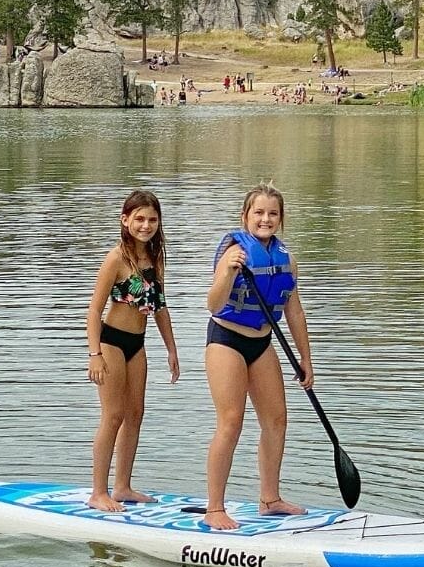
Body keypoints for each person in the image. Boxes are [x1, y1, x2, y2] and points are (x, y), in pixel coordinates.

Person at [201, 183, 314, 530]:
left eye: (273, 213)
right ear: (245, 216)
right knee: (231, 421)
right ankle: (215, 508)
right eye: (259, 213)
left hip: (262, 343)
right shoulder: (234, 251)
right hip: (226, 340)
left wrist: (305, 358)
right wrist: (231, 270)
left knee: (277, 420)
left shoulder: (286, 259)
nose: (266, 219)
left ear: (281, 219)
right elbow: (213, 303)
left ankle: (270, 498)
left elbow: (294, 312)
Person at [84, 189, 180, 512]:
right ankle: (99, 491)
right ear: (125, 221)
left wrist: (171, 349)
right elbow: (94, 310)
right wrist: (94, 353)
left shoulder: (155, 258)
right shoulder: (116, 258)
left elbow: (160, 306)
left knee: (135, 415)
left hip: (138, 346)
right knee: (113, 416)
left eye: (152, 219)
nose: (146, 225)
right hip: (111, 342)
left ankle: (122, 486)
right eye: (139, 219)